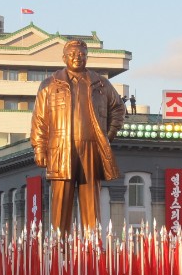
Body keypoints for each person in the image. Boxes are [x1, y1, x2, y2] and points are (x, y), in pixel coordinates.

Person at [30, 39, 125, 233]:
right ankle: (58, 251)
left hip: (91, 147)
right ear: (64, 57)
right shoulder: (49, 85)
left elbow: (118, 108)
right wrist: (39, 148)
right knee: (61, 203)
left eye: (81, 54)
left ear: (87, 57)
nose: (77, 58)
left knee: (91, 202)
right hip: (61, 148)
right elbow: (39, 119)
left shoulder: (100, 84)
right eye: (72, 54)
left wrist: (109, 134)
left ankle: (92, 252)